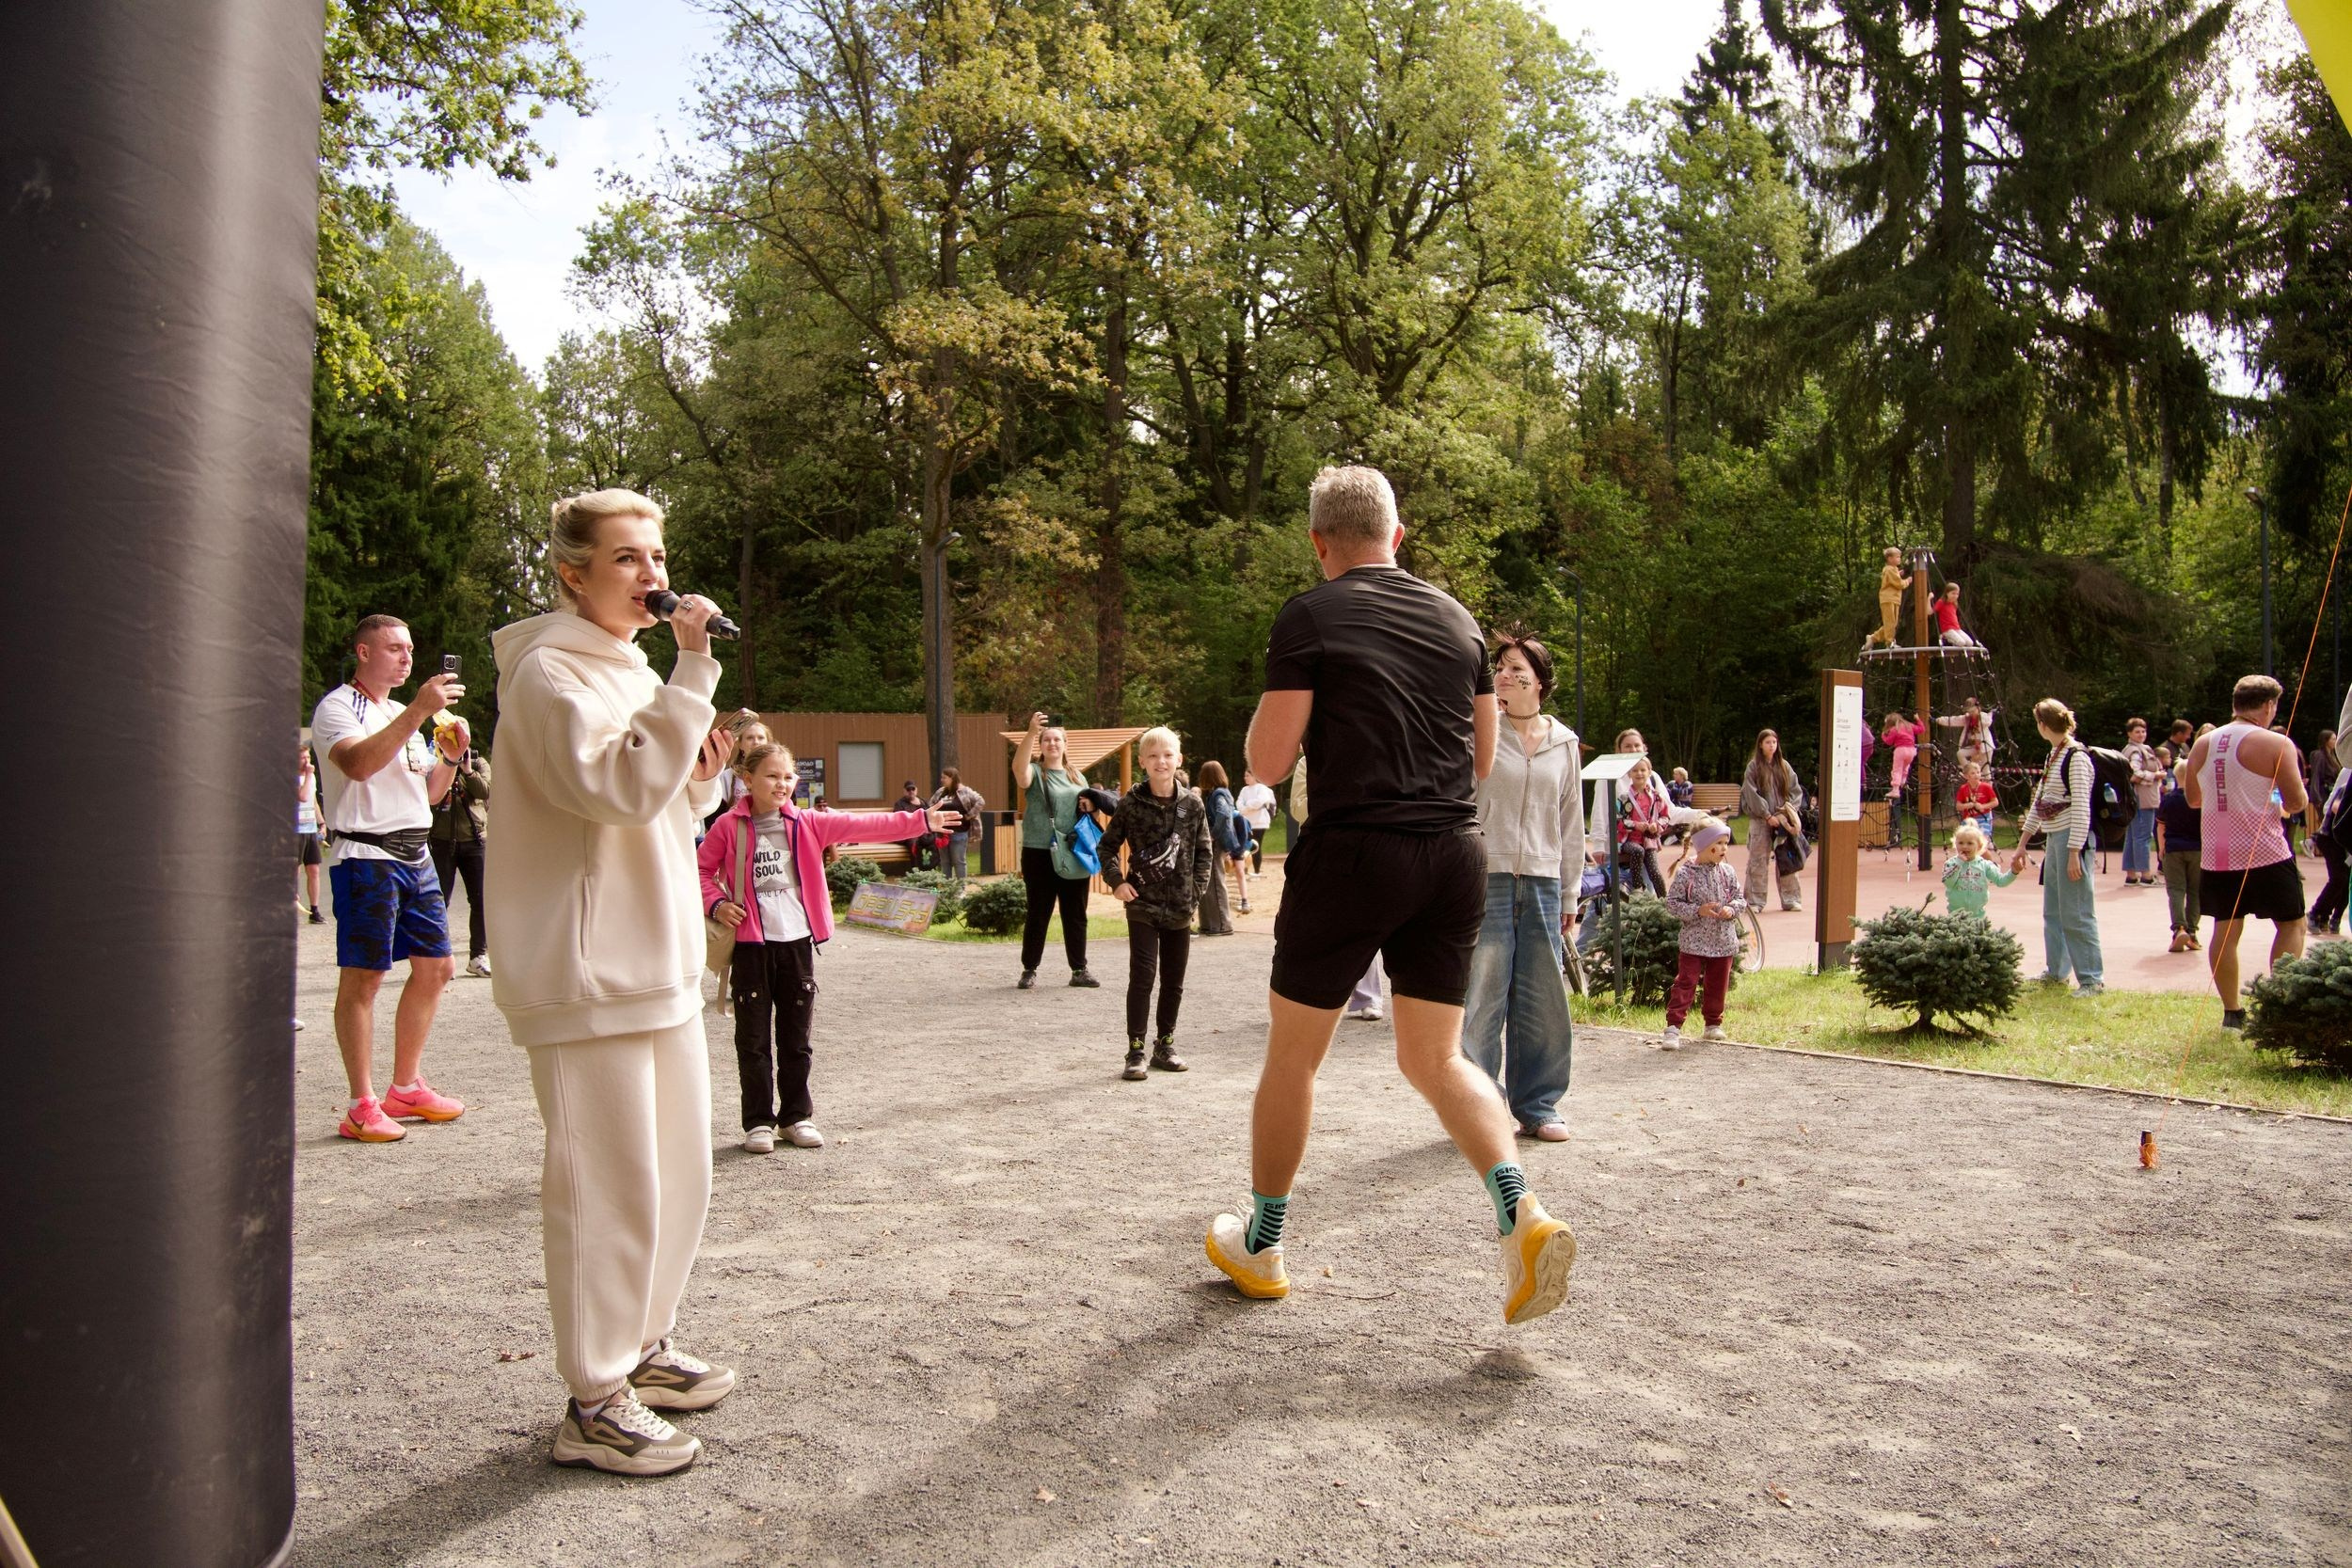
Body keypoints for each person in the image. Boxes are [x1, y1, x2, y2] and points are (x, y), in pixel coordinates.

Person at [1201, 464, 1574, 1326]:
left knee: (1294, 1057)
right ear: (1397, 536)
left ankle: (1263, 1245)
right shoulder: (1459, 621)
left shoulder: (1308, 615)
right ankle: (1523, 1215)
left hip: (1353, 852)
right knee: (1437, 1058)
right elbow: (1481, 760)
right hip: (1453, 855)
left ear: (1318, 543)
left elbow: (1267, 762)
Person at [485, 487, 739, 1477]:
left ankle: (641, 1343)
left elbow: (654, 807)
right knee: (606, 1185)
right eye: (627, 557)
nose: (652, 574)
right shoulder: (550, 672)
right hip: (589, 966)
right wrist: (694, 671)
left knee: (677, 1170)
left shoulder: (625, 666)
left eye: (657, 554)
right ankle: (593, 1397)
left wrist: (699, 776)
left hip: (657, 958)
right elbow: (611, 789)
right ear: (572, 572)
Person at [702, 743, 957, 1151]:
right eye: (771, 776)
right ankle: (758, 1123)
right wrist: (717, 903)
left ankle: (796, 1117)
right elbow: (699, 870)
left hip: (797, 945)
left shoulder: (808, 823)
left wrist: (921, 819)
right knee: (752, 1040)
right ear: (748, 779)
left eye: (788, 776)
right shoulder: (728, 826)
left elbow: (866, 825)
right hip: (751, 947)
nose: (782, 784)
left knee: (796, 1039)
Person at [310, 615, 470, 1144]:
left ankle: (405, 1087)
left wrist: (450, 757)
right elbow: (357, 765)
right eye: (395, 648)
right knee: (365, 977)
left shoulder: (401, 712)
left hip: (415, 854)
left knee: (438, 968)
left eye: (410, 649)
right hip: (366, 855)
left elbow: (428, 795)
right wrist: (420, 711)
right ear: (363, 652)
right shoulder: (338, 707)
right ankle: (361, 1104)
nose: (407, 658)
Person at [1464, 632, 1582, 1142]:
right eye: (1501, 669)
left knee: (1542, 998)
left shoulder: (1565, 743)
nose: (1505, 677)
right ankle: (1479, 1107)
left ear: (1540, 682)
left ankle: (1539, 1106)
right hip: (1485, 878)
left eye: (1517, 669)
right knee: (1482, 995)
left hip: (1543, 882)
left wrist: (1571, 893)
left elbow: (1571, 822)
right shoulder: (1477, 731)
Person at [2185, 676, 2309, 1029]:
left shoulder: (2203, 743)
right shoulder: (2276, 743)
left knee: (2225, 930)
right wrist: (2278, 799)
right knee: (2292, 924)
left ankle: (2232, 1012)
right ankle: (2277, 1003)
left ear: (2235, 704)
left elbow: (2193, 799)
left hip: (2218, 853)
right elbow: (2296, 802)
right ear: (2268, 706)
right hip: (2265, 851)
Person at [1098, 727, 1214, 1080]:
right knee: (1143, 977)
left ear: (1179, 759)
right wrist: (1117, 882)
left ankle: (1165, 1046)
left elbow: (1204, 853)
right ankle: (1135, 1051)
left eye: (1167, 755)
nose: (1160, 761)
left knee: (1174, 980)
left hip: (1180, 907)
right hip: (1142, 906)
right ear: (1142, 762)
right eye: (1153, 756)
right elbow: (1107, 847)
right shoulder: (1130, 804)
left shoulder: (1193, 805)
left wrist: (1194, 893)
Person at [2010, 698, 2104, 996]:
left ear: (2043, 725)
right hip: (2055, 837)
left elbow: (2082, 808)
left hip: (2072, 839)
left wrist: (2074, 852)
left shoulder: (2076, 757)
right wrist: (2022, 844)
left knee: (2077, 910)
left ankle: (2091, 979)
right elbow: (2041, 802)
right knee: (2053, 910)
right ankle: (2056, 972)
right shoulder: (2054, 754)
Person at [1013, 712, 1101, 989]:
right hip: (1039, 851)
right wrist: (1031, 732)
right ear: (1041, 745)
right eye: (1047, 740)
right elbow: (1019, 770)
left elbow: (1085, 809)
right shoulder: (1035, 772)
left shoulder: (1077, 775)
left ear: (1065, 744)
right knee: (1038, 912)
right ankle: (1029, 969)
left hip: (1073, 850)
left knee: (1075, 913)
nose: (1052, 743)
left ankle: (1079, 970)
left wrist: (1090, 806)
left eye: (1057, 739)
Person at [1661, 818, 1741, 1049]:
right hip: (1694, 943)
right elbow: (1673, 903)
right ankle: (1673, 1028)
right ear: (1704, 845)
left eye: (1726, 843)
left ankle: (1713, 1024)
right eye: (1719, 843)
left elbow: (1739, 898)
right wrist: (1698, 911)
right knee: (1686, 983)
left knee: (1718, 984)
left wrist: (1731, 909)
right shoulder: (1686, 873)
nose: (1724, 848)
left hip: (1722, 941)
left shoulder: (1727, 872)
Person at [428, 741, 493, 977]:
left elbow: (485, 791)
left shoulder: (477, 762)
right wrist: (447, 765)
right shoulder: (436, 763)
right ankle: (442, 958)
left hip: (475, 840)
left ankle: (478, 955)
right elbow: (429, 795)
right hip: (442, 840)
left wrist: (467, 770)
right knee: (438, 901)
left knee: (481, 900)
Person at [1740, 729, 1804, 912]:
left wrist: (1787, 812)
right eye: (1768, 742)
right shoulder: (1753, 767)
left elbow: (1795, 791)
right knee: (1758, 860)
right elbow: (1750, 793)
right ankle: (1755, 901)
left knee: (1787, 858)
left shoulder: (1784, 766)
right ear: (1760, 744)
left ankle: (1791, 899)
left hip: (1783, 820)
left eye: (1774, 742)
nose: (1771, 746)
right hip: (1761, 821)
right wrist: (1767, 815)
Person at [2156, 759, 2203, 951]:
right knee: (2195, 891)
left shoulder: (2168, 799)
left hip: (2173, 848)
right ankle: (2192, 932)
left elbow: (2161, 825)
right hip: (2198, 849)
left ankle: (2179, 928)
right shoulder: (2201, 800)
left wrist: (2162, 847)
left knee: (2176, 890)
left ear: (2176, 776)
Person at [1199, 760, 1250, 913]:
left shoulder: (1219, 794)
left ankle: (1223, 917)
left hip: (1222, 840)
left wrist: (1212, 835)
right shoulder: (1219, 792)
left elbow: (1222, 813)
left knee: (1218, 879)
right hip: (1226, 839)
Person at [2307, 766, 2352, 937]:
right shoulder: (2346, 783)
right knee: (2340, 878)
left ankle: (2333, 919)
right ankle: (2315, 913)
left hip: (2344, 841)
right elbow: (2334, 806)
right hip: (2330, 838)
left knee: (2347, 881)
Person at [2120, 719, 2165, 886]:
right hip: (2141, 799)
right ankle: (2146, 875)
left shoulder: (2139, 749)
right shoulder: (2135, 752)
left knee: (2132, 837)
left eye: (2143, 731)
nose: (2141, 734)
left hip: (2136, 799)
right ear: (2129, 733)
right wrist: (2155, 776)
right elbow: (2134, 774)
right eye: (2137, 731)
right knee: (2143, 837)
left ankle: (2131, 875)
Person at [1616, 756, 1668, 895]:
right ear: (1629, 774)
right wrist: (1635, 825)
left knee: (1655, 873)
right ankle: (1637, 887)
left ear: (1649, 772)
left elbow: (1665, 817)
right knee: (1638, 851)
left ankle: (1665, 900)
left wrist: (1656, 825)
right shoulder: (1623, 798)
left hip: (1649, 842)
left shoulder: (1657, 797)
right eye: (1635, 770)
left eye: (1643, 770)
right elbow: (1618, 821)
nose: (1639, 773)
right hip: (1628, 841)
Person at [1942, 821, 2015, 918]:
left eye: (1970, 843)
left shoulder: (1985, 865)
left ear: (1979, 846)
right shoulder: (1951, 863)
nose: (1964, 846)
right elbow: (1948, 882)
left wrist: (2014, 872)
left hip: (1978, 916)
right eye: (1960, 843)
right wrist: (1959, 863)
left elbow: (2001, 881)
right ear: (1955, 844)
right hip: (1955, 915)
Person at [930, 768, 986, 883]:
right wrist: (934, 818)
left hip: (959, 832)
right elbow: (931, 804)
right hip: (942, 833)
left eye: (944, 778)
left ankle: (960, 889)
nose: (942, 780)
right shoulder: (940, 792)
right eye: (942, 777)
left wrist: (968, 816)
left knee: (959, 861)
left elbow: (980, 802)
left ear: (952, 778)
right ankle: (947, 888)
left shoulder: (965, 791)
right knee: (945, 862)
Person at [1881, 710, 1923, 847]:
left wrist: (1883, 734)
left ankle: (1895, 789)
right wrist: (1918, 719)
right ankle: (1903, 783)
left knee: (1897, 769)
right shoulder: (1909, 726)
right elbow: (1921, 729)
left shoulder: (1895, 729)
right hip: (1912, 750)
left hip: (1900, 750)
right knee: (1905, 768)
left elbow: (1888, 741)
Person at [1935, 696, 1998, 778]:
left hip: (1985, 747)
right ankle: (1969, 772)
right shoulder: (1968, 719)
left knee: (1986, 770)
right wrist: (1938, 720)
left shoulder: (1983, 718)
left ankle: (1988, 785)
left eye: (1973, 711)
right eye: (1969, 711)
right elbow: (1954, 720)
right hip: (1975, 746)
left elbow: (1988, 721)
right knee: (1960, 753)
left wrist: (1983, 716)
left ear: (1978, 708)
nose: (1971, 713)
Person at [296, 744, 324, 924]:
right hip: (295, 831)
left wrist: (321, 823)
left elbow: (312, 801)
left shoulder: (311, 777)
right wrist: (307, 776)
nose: (307, 761)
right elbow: (303, 796)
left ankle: (315, 910)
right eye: (303, 758)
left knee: (314, 869)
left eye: (308, 757)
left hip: (310, 829)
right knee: (295, 871)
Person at [1236, 768, 1279, 879]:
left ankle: (1257, 871)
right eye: (1245, 776)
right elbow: (1239, 803)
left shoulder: (1262, 788)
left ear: (1254, 776)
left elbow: (1260, 802)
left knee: (1256, 845)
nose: (1245, 778)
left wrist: (1247, 805)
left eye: (1247, 776)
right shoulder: (1244, 790)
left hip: (1260, 822)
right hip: (1247, 822)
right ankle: (1245, 869)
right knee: (1246, 845)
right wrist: (1246, 808)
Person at [1865, 545, 1908, 654]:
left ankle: (1873, 637)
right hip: (1888, 598)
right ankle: (1890, 642)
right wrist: (1907, 581)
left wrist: (1899, 574)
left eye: (1899, 557)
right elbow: (1899, 584)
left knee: (1893, 623)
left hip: (1895, 599)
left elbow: (1893, 578)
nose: (1899, 559)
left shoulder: (1893, 570)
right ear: (1889, 558)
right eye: (1897, 557)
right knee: (1890, 622)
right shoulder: (1889, 569)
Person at [1956, 761, 1998, 841]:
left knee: (1982, 840)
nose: (1976, 775)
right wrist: (1967, 805)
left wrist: (1983, 806)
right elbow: (1958, 806)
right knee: (1964, 839)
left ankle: (1986, 846)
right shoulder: (1963, 788)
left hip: (1984, 817)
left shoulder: (1986, 787)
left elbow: (1995, 802)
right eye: (1973, 773)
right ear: (1966, 776)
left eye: (1978, 772)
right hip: (1968, 819)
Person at [1933, 581, 1980, 649]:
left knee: (1970, 643)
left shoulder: (1954, 604)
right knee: (1961, 642)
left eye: (1957, 594)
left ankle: (1957, 645)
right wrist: (1929, 599)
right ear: (1947, 593)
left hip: (1956, 628)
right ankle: (1945, 637)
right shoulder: (1941, 602)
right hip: (1947, 629)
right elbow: (1930, 611)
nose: (1955, 596)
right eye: (1953, 593)